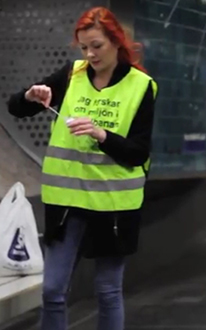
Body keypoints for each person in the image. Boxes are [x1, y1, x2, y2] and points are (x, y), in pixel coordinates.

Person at [7, 7, 158, 330]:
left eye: (97, 46)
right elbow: (15, 109)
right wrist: (30, 96)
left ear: (116, 42)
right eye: (84, 47)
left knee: (107, 291)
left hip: (113, 204)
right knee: (52, 290)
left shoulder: (141, 86)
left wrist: (102, 135)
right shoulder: (71, 75)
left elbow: (137, 152)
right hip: (67, 202)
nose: (90, 54)